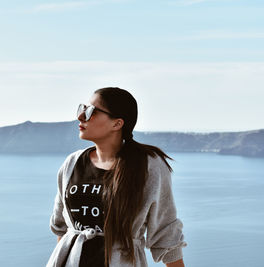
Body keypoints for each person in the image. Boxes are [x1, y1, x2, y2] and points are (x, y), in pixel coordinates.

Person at [46, 87, 187, 267]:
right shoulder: (72, 163)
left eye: (91, 112)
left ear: (117, 123)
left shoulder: (149, 166)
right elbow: (63, 229)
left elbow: (166, 234)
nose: (81, 116)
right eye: (82, 108)